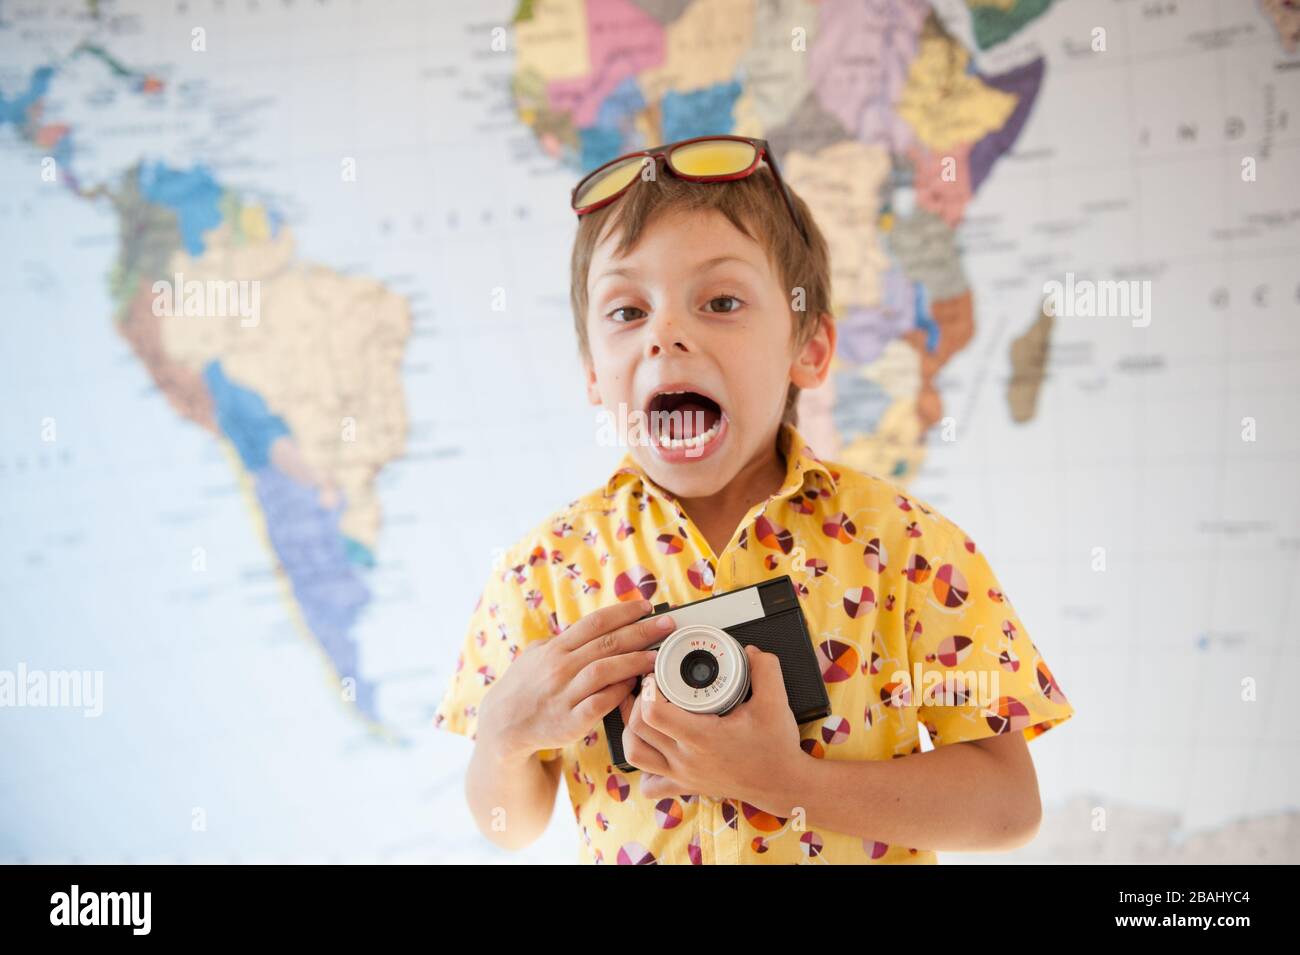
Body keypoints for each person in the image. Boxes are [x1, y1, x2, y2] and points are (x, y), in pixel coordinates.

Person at [434, 136, 1074, 864]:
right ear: (590, 372)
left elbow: (1008, 807)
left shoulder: (905, 546)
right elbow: (507, 824)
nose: (666, 334)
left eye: (721, 301)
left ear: (811, 349)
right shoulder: (540, 573)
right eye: (625, 311)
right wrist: (503, 737)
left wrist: (785, 780)